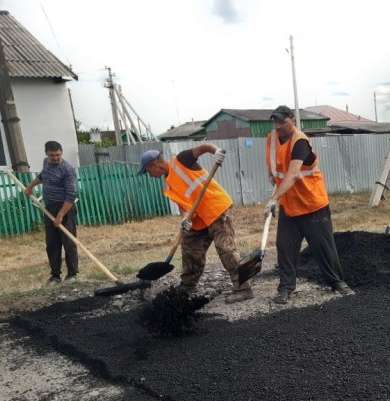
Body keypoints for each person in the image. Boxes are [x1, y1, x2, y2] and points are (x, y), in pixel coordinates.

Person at [137, 144, 253, 303]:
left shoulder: (182, 160)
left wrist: (216, 152)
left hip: (215, 209)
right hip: (198, 219)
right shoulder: (169, 183)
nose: (149, 175)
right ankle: (188, 285)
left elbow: (203, 147)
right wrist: (185, 219)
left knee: (226, 249)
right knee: (190, 247)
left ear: (154, 165)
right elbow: (184, 207)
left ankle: (244, 288)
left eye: (147, 171)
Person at [264, 105, 353, 305]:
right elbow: (274, 165)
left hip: (312, 205)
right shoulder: (271, 140)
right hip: (290, 206)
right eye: (275, 122)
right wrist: (272, 178)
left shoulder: (300, 141)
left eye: (282, 122)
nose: (278, 126)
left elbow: (293, 173)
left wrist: (273, 199)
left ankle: (337, 282)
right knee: (285, 248)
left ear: (292, 120)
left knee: (323, 248)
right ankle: (286, 288)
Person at [24, 141, 79, 284]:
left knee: (69, 242)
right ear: (46, 154)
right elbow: (43, 176)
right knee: (52, 243)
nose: (55, 158)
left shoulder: (67, 170)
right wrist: (30, 186)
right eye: (52, 155)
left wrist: (60, 215)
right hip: (49, 208)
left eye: (58, 155)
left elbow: (71, 195)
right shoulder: (46, 163)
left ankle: (72, 274)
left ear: (62, 152)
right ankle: (55, 275)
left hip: (65, 208)